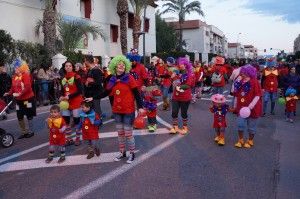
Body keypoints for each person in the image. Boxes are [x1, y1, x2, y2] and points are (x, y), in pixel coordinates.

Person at [106, 55, 144, 164]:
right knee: (120, 133)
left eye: (123, 64)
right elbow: (108, 93)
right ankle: (122, 152)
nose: (121, 66)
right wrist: (93, 97)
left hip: (128, 110)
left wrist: (140, 107)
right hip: (117, 111)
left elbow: (136, 93)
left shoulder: (129, 78)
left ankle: (132, 153)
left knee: (128, 134)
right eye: (119, 64)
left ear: (126, 66)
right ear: (114, 67)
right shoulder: (112, 79)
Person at [4, 59, 36, 139]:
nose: (15, 69)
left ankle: (31, 131)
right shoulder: (14, 77)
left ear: (22, 68)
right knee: (19, 115)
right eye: (15, 68)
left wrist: (20, 94)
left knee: (29, 115)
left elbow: (28, 87)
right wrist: (9, 93)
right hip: (19, 100)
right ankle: (23, 132)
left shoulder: (25, 75)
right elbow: (13, 87)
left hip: (27, 99)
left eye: (17, 67)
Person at [232, 64, 262, 148]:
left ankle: (250, 140)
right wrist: (235, 106)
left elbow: (257, 95)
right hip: (241, 108)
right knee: (240, 124)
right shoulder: (240, 81)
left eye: (244, 73)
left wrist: (250, 107)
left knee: (251, 127)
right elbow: (237, 95)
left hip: (252, 108)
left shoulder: (254, 81)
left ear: (249, 73)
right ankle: (241, 139)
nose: (242, 74)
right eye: (242, 73)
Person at [60, 61, 83, 146]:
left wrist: (69, 96)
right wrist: (61, 96)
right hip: (66, 102)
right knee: (66, 121)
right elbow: (62, 91)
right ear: (64, 68)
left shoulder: (77, 76)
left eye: (70, 66)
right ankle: (69, 139)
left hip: (76, 101)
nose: (68, 67)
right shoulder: (63, 78)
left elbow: (80, 91)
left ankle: (77, 138)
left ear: (72, 67)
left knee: (77, 121)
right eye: (67, 66)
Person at [169, 57, 193, 135]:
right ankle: (175, 126)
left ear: (186, 65)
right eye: (180, 64)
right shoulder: (177, 72)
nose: (181, 65)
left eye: (183, 64)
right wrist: (172, 78)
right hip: (176, 96)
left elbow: (188, 85)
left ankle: (185, 127)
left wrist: (180, 87)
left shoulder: (189, 75)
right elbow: (173, 81)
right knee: (174, 112)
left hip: (185, 97)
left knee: (183, 113)